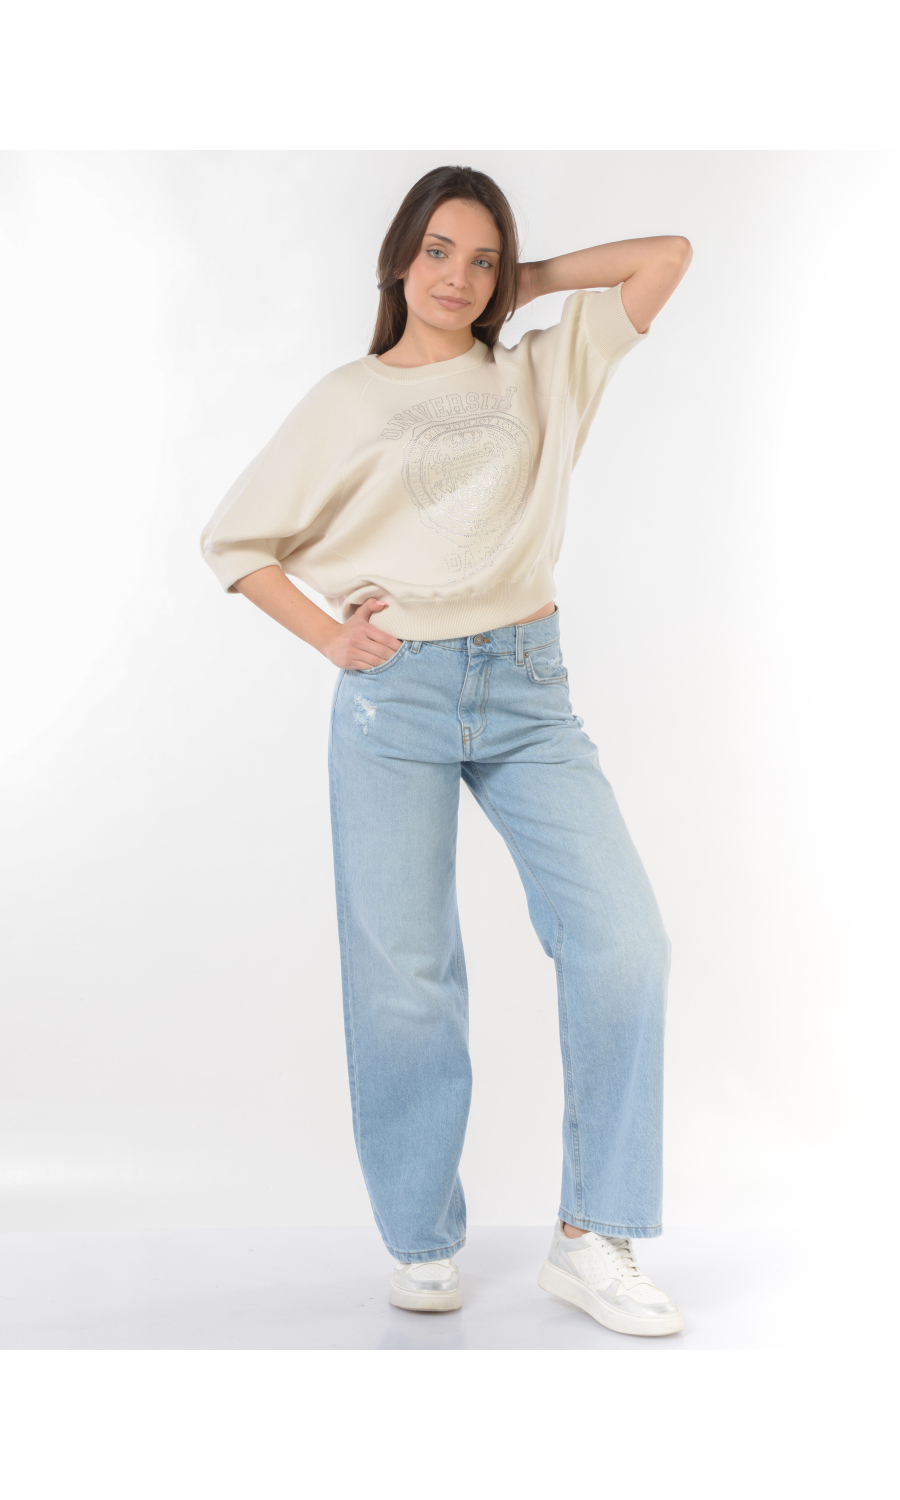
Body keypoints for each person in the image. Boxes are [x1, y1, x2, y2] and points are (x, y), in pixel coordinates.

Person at [201, 164, 693, 1338]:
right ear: (398, 259)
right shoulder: (346, 399)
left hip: (528, 689)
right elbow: (235, 540)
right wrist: (332, 638)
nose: (456, 278)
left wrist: (527, 283)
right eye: (437, 252)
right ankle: (422, 1240)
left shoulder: (543, 370)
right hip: (397, 697)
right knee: (407, 975)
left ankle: (593, 1236)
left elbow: (666, 255)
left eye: (480, 259)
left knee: (625, 940)